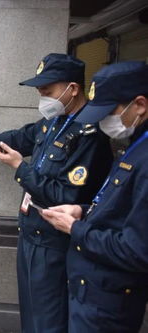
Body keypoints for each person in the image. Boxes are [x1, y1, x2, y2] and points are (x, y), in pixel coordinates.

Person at [0, 53, 113, 332]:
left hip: (55, 244)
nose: (42, 97)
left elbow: (64, 197)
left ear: (72, 89)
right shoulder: (55, 122)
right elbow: (17, 138)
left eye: (48, 91)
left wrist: (19, 168)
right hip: (31, 233)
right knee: (31, 313)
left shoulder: (89, 135)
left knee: (48, 319)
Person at [40, 61, 148, 333]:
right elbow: (123, 209)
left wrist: (75, 229)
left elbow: (137, 250)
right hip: (94, 292)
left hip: (108, 303)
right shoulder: (134, 145)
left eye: (110, 111)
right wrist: (83, 210)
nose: (102, 121)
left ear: (140, 106)